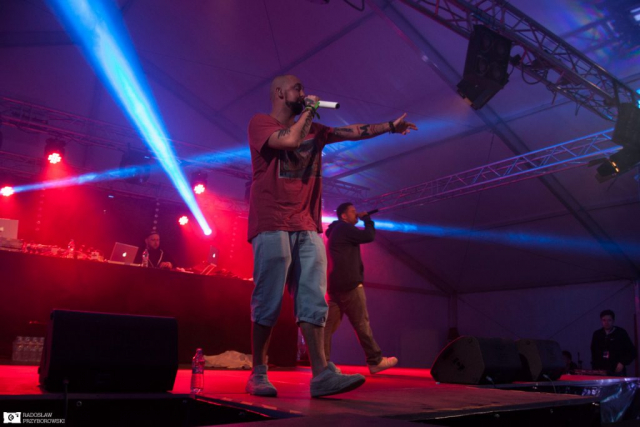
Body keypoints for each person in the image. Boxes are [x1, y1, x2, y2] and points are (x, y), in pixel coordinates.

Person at [246, 74, 417, 398]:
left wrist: (389, 127)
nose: (304, 91)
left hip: (307, 223)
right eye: (297, 88)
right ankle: (258, 373)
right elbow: (289, 141)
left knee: (313, 299)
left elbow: (352, 131)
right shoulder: (260, 123)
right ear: (280, 92)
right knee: (268, 300)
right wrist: (310, 110)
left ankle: (321, 373)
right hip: (272, 222)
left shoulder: (316, 130)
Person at [324, 202, 398, 374]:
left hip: (335, 286)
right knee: (361, 324)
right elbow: (368, 236)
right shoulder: (344, 228)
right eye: (352, 211)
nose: (356, 213)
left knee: (326, 327)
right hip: (350, 284)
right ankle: (375, 360)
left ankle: (322, 363)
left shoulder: (335, 230)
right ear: (343, 216)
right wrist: (367, 220)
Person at [590, 309, 636, 376]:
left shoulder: (620, 333)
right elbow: (594, 352)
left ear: (613, 321)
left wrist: (622, 362)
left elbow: (632, 351)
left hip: (616, 369)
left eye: (609, 320)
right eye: (604, 320)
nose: (606, 323)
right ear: (601, 321)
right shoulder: (597, 334)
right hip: (601, 370)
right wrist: (595, 368)